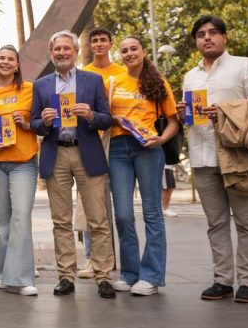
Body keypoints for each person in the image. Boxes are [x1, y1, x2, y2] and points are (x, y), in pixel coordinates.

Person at [183, 15, 248, 303]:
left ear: (224, 37)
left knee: (246, 222)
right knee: (216, 223)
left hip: (237, 157)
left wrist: (223, 110)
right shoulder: (191, 75)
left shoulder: (244, 65)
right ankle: (222, 279)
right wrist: (181, 112)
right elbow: (192, 115)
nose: (206, 38)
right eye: (200, 34)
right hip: (202, 155)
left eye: (212, 33)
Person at [31, 30, 117, 299]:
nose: (62, 53)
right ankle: (66, 276)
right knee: (61, 221)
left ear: (76, 51)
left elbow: (106, 119)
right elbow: (33, 123)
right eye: (57, 49)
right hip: (56, 153)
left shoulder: (93, 81)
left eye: (67, 48)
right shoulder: (42, 85)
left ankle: (103, 276)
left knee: (98, 220)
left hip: (87, 152)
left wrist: (91, 114)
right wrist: (43, 122)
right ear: (51, 52)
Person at [107, 36, 180, 296]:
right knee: (123, 214)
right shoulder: (113, 82)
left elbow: (173, 121)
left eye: (133, 49)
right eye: (124, 50)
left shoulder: (158, 83)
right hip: (117, 150)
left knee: (152, 213)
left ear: (143, 51)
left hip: (148, 150)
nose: (129, 53)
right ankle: (129, 273)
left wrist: (160, 138)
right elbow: (103, 116)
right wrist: (112, 118)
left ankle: (151, 277)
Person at [0, 45, 39, 295]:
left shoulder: (30, 90)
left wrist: (25, 124)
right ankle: (2, 274)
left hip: (24, 162)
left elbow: (39, 123)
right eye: (1, 57)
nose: (4, 62)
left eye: (9, 59)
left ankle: (23, 278)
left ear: (17, 65)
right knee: (0, 223)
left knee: (21, 217)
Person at [78, 27, 125, 279]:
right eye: (93, 40)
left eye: (102, 40)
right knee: (89, 205)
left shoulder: (122, 72)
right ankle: (90, 257)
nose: (98, 44)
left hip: (119, 141)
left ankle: (113, 257)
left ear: (110, 44)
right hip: (91, 142)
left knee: (120, 206)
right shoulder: (84, 74)